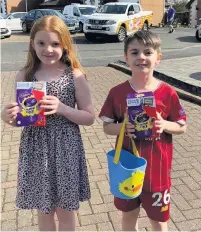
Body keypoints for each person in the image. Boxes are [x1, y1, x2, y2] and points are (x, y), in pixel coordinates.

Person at [1, 15, 95, 231]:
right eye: (41, 43)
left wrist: (63, 108)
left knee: (65, 212)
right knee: (44, 211)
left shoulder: (75, 76)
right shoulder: (25, 75)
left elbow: (89, 116)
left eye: (55, 43)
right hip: (36, 150)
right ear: (32, 43)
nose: (48, 49)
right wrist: (8, 117)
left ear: (65, 45)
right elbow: (23, 118)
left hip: (66, 149)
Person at [99, 30, 187, 231]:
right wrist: (122, 128)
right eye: (135, 52)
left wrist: (165, 125)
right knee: (129, 218)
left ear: (158, 58)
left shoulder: (168, 93)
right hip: (126, 169)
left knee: (158, 221)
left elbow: (182, 126)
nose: (141, 57)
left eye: (147, 52)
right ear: (126, 58)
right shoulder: (117, 92)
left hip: (158, 171)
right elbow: (107, 127)